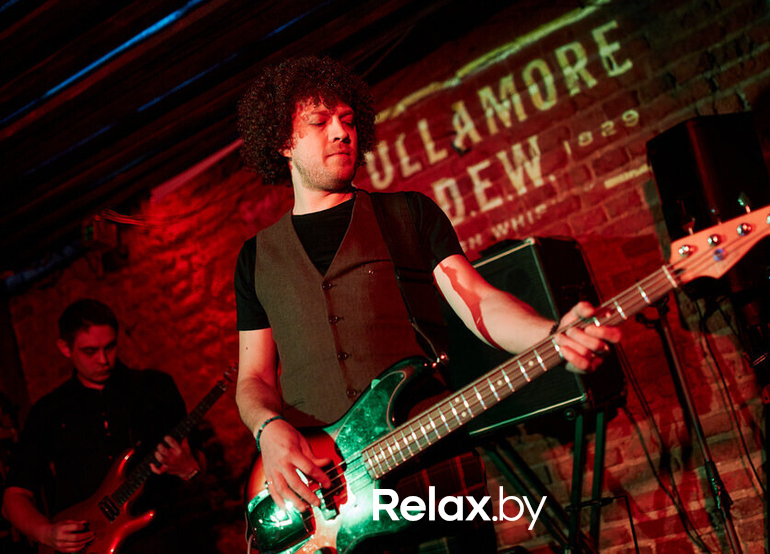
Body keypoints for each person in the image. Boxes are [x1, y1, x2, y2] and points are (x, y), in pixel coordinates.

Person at [234, 55, 621, 553]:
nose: (341, 133)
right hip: (328, 494)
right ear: (284, 142)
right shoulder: (256, 259)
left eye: (349, 122)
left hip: (434, 466)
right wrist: (269, 429)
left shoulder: (407, 214)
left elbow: (479, 301)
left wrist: (551, 335)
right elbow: (254, 379)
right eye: (320, 122)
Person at [1, 299, 202, 554]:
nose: (104, 360)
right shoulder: (48, 411)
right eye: (90, 351)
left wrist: (189, 468)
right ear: (65, 348)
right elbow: (13, 498)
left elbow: (196, 460)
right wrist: (47, 533)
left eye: (110, 347)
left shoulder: (154, 388)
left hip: (163, 538)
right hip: (90, 545)